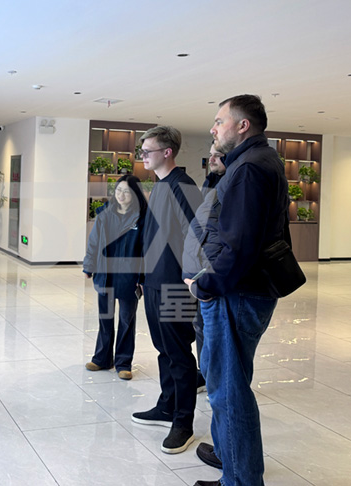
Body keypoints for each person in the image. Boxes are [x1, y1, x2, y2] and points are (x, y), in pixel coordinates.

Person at [185, 95, 289, 486]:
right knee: (225, 384)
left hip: (235, 292)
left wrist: (204, 285)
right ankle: (232, 461)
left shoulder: (249, 168)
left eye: (219, 121)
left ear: (242, 125)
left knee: (228, 391)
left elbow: (239, 244)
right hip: (241, 289)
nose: (213, 128)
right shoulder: (258, 161)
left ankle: (241, 479)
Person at [130, 126, 203, 454]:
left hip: (175, 287)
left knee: (178, 353)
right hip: (154, 283)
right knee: (163, 349)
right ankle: (166, 406)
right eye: (142, 151)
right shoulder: (160, 186)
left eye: (148, 151)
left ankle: (183, 422)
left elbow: (198, 236)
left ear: (167, 152)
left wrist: (188, 281)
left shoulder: (182, 186)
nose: (143, 156)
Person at [83, 175, 147, 381]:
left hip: (130, 276)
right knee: (105, 318)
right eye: (118, 190)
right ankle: (102, 358)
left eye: (126, 191)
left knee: (127, 320)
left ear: (135, 194)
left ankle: (123, 362)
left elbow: (147, 250)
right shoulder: (104, 214)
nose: (121, 195)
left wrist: (143, 277)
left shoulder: (142, 218)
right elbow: (94, 241)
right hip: (106, 274)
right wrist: (89, 265)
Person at [191, 143, 227, 390]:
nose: (211, 159)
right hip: (202, 263)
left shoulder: (234, 184)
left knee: (217, 328)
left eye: (217, 156)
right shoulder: (210, 182)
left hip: (220, 266)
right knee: (200, 323)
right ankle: (205, 372)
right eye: (210, 155)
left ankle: (217, 377)